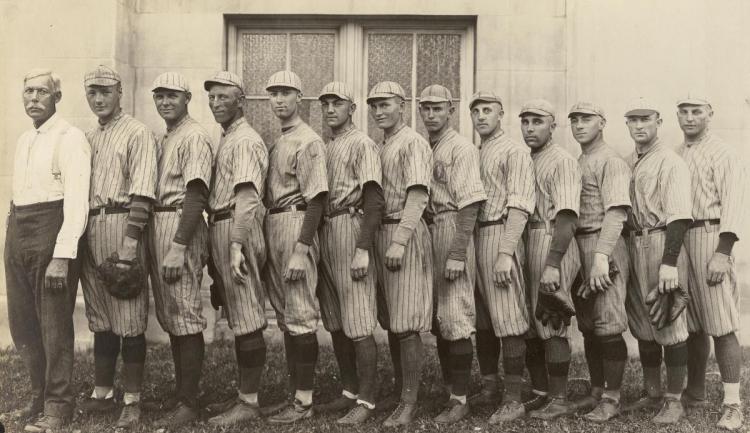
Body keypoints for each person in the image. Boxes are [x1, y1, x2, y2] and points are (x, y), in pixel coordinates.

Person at [5, 69, 91, 433]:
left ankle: (59, 405)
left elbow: (76, 201)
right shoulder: (26, 138)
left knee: (54, 323)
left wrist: (62, 255)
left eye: (42, 91)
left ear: (57, 97)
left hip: (51, 229)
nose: (33, 98)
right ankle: (39, 396)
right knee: (23, 322)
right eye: (28, 91)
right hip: (19, 227)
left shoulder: (70, 138)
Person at [78, 65, 157, 429]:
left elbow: (142, 192)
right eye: (92, 92)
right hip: (91, 225)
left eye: (105, 91)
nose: (98, 98)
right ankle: (103, 393)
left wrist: (130, 243)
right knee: (100, 317)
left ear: (120, 92)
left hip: (123, 222)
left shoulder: (137, 132)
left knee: (128, 315)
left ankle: (133, 400)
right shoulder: (88, 136)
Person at [201, 71, 271, 427]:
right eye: (212, 98)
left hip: (236, 227)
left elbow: (246, 197)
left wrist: (236, 246)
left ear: (240, 101)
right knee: (239, 314)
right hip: (223, 225)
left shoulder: (244, 139)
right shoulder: (227, 137)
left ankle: (250, 402)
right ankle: (246, 395)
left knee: (247, 317)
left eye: (223, 97)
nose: (216, 104)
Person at [146, 72, 213, 427]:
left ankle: (189, 403)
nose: (165, 102)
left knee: (184, 312)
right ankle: (183, 394)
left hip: (179, 226)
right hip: (161, 223)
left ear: (187, 98)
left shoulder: (194, 135)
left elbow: (197, 194)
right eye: (159, 96)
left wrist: (178, 247)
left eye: (172, 95)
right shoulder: (166, 136)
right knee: (173, 313)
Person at [315, 81, 384, 424]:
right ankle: (349, 391)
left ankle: (367, 401)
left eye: (337, 103)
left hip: (349, 227)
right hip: (326, 229)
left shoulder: (362, 143)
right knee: (336, 319)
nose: (330, 109)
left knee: (357, 318)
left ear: (352, 108)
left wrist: (363, 249)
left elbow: (374, 200)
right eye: (325, 103)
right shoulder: (328, 144)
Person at [469, 91, 539, 423]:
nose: (482, 116)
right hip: (478, 234)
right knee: (484, 320)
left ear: (501, 115)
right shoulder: (479, 150)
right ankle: (490, 386)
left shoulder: (514, 151)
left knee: (509, 318)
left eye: (488, 111)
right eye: (477, 111)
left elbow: (520, 206)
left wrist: (505, 253)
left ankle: (513, 399)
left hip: (500, 233)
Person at [263, 70, 328, 423]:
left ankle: (304, 402)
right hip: (275, 222)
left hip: (296, 223)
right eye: (273, 93)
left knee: (301, 314)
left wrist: (302, 249)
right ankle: (294, 395)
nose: (279, 100)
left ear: (299, 98)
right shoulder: (279, 140)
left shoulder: (308, 140)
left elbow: (317, 199)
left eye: (286, 93)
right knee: (287, 318)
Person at [675, 96, 744, 430]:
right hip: (681, 238)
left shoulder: (723, 152)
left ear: (710, 114)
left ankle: (733, 404)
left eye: (696, 111)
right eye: (684, 112)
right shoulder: (676, 153)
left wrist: (723, 251)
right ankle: (696, 391)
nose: (689, 118)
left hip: (711, 234)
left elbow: (735, 204)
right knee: (692, 322)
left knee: (721, 323)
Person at [418, 84, 486, 423]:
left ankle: (460, 399)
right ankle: (450, 391)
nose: (431, 115)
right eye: (426, 109)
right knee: (440, 318)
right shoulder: (427, 145)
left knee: (455, 315)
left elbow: (471, 204)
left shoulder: (461, 147)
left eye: (438, 109)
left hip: (452, 226)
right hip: (430, 228)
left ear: (451, 111)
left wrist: (458, 252)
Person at [368, 81, 433, 427]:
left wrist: (400, 239)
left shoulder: (412, 142)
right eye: (375, 106)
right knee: (393, 320)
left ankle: (409, 403)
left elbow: (419, 195)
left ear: (402, 105)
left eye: (386, 105)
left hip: (402, 231)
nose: (379, 111)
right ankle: (399, 393)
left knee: (406, 322)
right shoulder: (383, 143)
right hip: (383, 230)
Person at [622, 98, 691, 424]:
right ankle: (651, 394)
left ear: (658, 121)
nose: (639, 126)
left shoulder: (669, 161)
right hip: (634, 241)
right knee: (642, 322)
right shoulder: (630, 160)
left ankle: (674, 399)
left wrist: (669, 262)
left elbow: (678, 217)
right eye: (633, 120)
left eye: (645, 119)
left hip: (661, 241)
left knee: (669, 320)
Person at [567, 102, 631, 422]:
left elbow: (617, 212)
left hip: (603, 243)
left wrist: (602, 257)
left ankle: (612, 397)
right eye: (574, 119)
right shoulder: (581, 159)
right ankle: (595, 390)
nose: (579, 125)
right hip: (580, 243)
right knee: (589, 326)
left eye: (586, 119)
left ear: (602, 122)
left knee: (607, 323)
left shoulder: (611, 160)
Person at [520, 99, 582, 420]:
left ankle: (559, 398)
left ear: (552, 126)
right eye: (526, 121)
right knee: (532, 321)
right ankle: (541, 391)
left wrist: (553, 263)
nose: (530, 128)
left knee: (552, 321)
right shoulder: (528, 158)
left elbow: (568, 217)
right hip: (530, 239)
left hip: (552, 240)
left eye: (538, 122)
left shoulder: (562, 160)